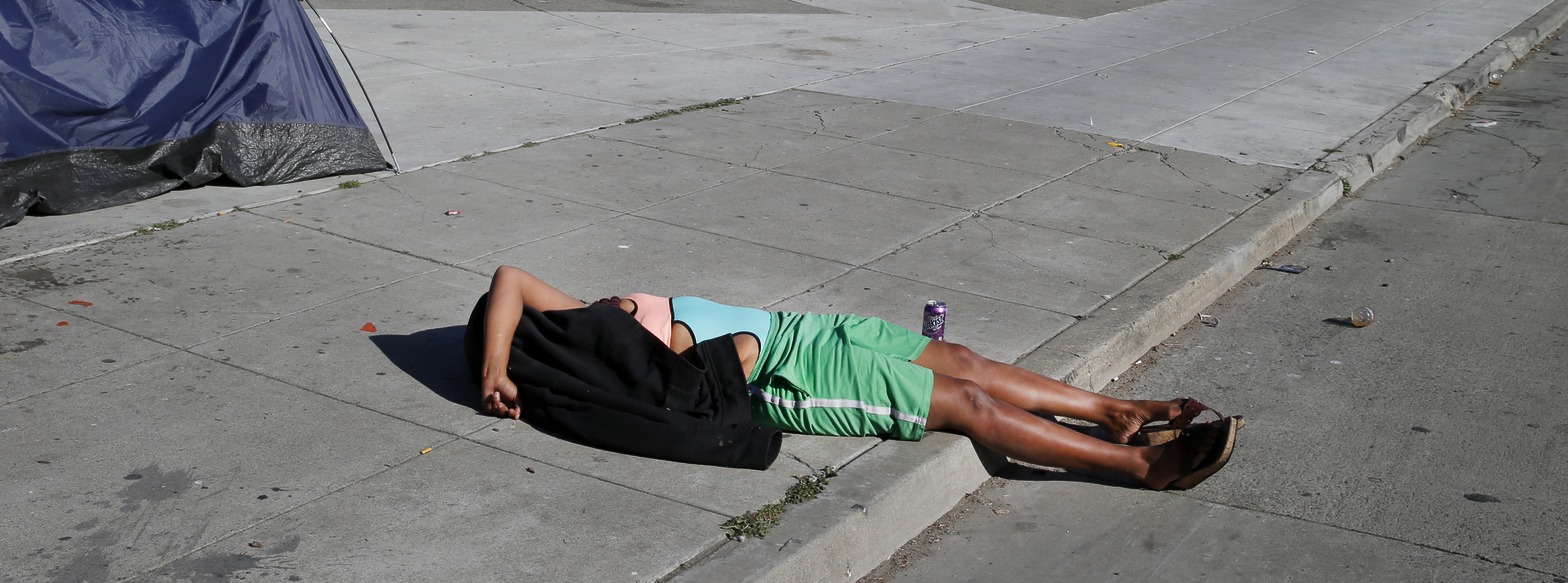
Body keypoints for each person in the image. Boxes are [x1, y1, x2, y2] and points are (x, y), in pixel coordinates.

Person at [475, 265, 1242, 491]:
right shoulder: (615, 358)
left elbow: (508, 277)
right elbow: (713, 378)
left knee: (966, 359)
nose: (610, 300)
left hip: (809, 327)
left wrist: (491, 366)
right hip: (794, 370)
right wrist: (502, 376)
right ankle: (1138, 463)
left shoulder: (585, 318)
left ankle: (1109, 410)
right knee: (967, 402)